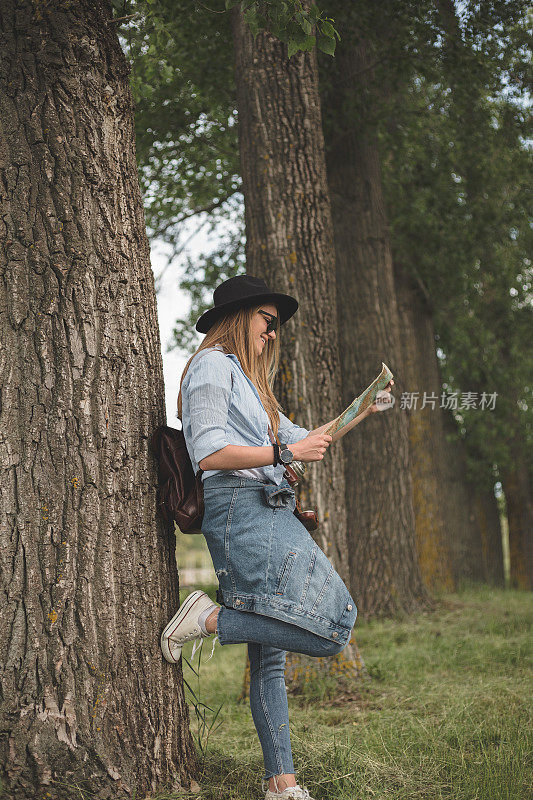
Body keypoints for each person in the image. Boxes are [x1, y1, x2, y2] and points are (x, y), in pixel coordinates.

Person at [161, 275, 393, 800]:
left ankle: (281, 785)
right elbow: (210, 454)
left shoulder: (250, 382)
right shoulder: (211, 368)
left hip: (265, 510)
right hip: (241, 512)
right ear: (240, 316)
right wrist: (285, 455)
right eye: (269, 322)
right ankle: (208, 618)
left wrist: (362, 411)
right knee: (333, 628)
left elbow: (306, 440)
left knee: (269, 655)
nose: (273, 334)